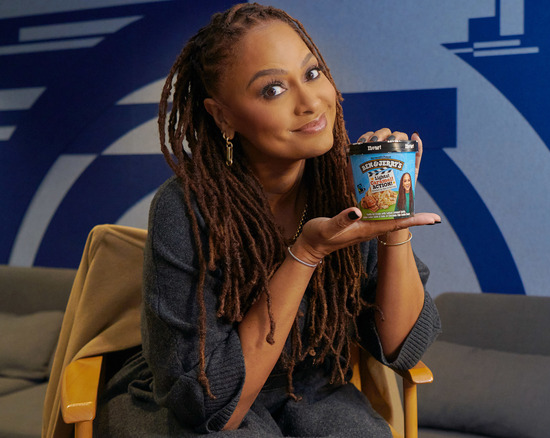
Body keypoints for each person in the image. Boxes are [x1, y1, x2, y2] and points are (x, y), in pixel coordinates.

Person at [94, 3, 442, 437]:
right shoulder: (186, 207)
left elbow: (401, 349)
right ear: (223, 116)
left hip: (309, 392)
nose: (310, 100)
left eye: (312, 73)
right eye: (273, 90)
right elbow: (211, 408)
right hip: (194, 403)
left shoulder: (344, 188)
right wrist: (306, 254)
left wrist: (394, 224)